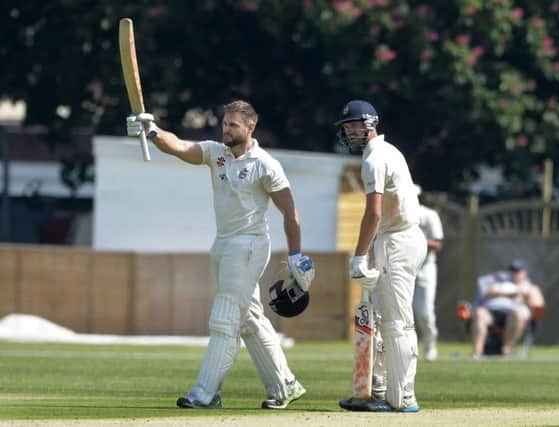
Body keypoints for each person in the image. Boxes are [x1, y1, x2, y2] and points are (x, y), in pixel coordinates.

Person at [126, 100, 315, 409]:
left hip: (251, 244)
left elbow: (290, 212)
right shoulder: (217, 154)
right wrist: (154, 132)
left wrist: (295, 256)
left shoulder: (265, 164)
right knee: (250, 319)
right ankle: (286, 386)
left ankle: (205, 393)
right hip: (224, 244)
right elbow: (180, 147)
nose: (226, 129)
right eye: (225, 124)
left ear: (250, 127)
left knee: (225, 318)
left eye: (233, 125)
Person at [335, 100, 427, 413]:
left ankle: (402, 397)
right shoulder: (389, 151)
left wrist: (359, 256)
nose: (349, 131)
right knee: (375, 318)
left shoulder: (375, 158)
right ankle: (375, 390)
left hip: (395, 241)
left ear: (370, 123)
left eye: (354, 125)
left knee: (396, 322)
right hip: (397, 239)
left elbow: (372, 213)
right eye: (346, 127)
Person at [471, 259, 544, 358]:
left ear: (525, 273)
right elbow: (489, 292)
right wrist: (512, 292)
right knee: (479, 313)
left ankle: (506, 351)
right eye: (512, 271)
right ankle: (477, 352)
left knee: (517, 314)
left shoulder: (531, 288)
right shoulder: (501, 282)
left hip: (514, 315)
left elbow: (538, 306)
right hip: (492, 313)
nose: (514, 274)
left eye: (517, 271)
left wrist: (525, 297)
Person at [412, 185, 444, 361]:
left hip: (425, 268)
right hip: (402, 267)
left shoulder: (429, 215)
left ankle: (430, 342)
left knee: (424, 312)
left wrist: (417, 239)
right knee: (403, 312)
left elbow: (438, 244)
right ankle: (409, 347)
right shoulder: (396, 213)